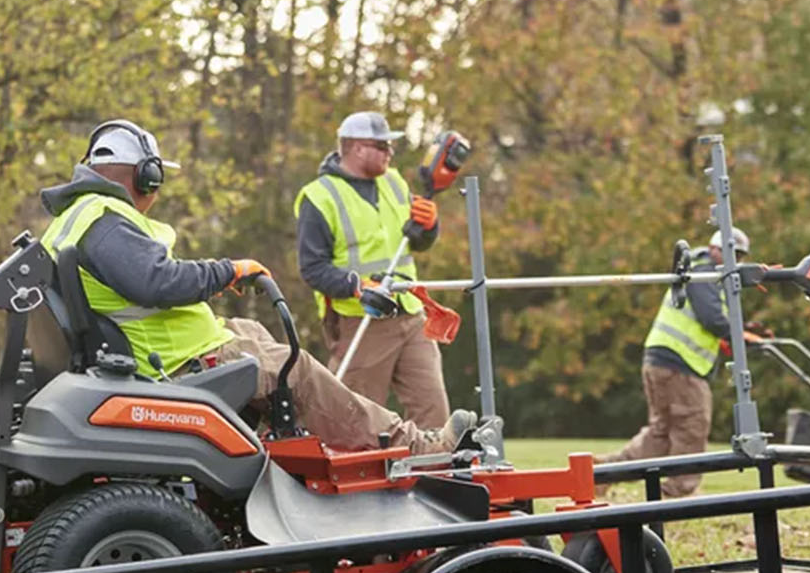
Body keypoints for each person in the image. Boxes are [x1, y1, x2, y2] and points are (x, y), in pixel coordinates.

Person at [40, 119, 482, 456]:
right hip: (173, 363)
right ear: (146, 177)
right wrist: (227, 270)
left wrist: (428, 229)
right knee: (296, 367)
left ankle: (299, 441)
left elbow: (142, 282)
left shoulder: (77, 218)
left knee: (253, 335)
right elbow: (159, 281)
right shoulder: (104, 221)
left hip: (161, 352)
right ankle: (416, 448)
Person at [292, 110, 450, 428]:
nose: (390, 153)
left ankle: (432, 473)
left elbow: (415, 244)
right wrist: (357, 285)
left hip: (411, 312)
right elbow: (312, 269)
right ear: (357, 148)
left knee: (433, 410)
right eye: (382, 146)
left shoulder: (394, 182)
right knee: (354, 419)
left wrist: (429, 226)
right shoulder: (318, 197)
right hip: (362, 321)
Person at [604, 227, 753, 498]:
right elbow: (712, 319)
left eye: (740, 256)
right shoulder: (702, 272)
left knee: (660, 435)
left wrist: (741, 331)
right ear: (714, 248)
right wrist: (740, 333)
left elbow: (706, 321)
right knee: (692, 426)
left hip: (662, 359)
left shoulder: (699, 271)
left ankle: (601, 474)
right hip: (680, 364)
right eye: (732, 253)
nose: (736, 260)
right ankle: (677, 494)